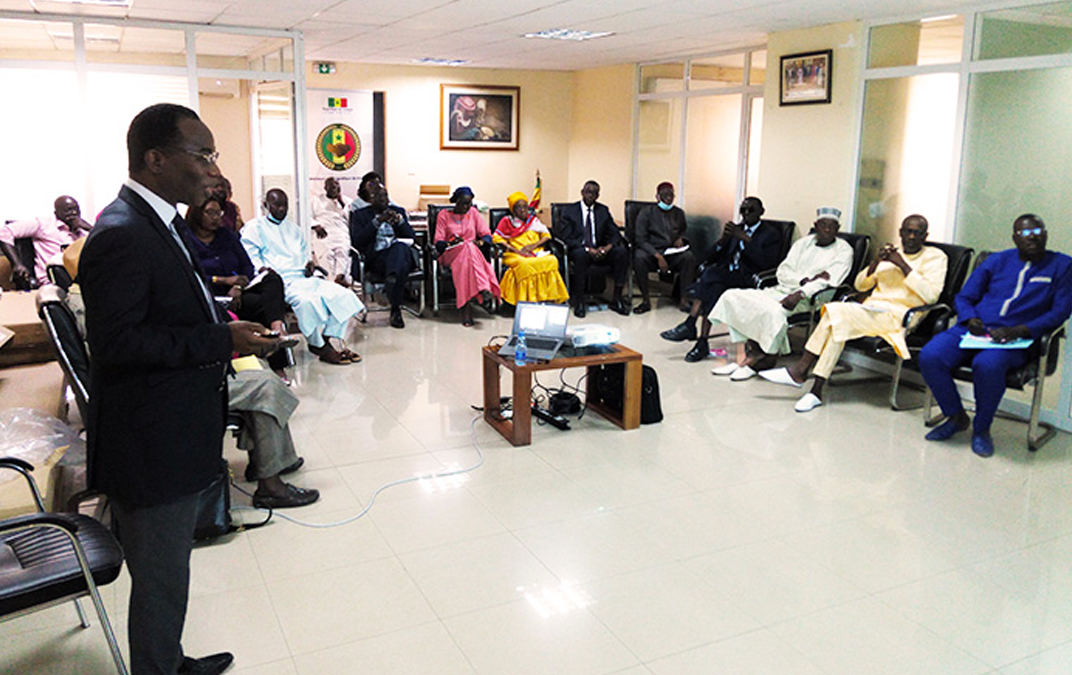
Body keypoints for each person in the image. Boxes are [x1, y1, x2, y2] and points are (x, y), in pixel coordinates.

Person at [79, 103, 280, 675]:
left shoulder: (156, 222)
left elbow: (166, 311)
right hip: (150, 442)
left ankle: (167, 659)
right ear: (156, 158)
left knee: (169, 574)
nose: (211, 168)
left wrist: (225, 325)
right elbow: (119, 345)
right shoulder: (121, 234)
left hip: (172, 432)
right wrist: (220, 341)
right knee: (161, 577)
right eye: (203, 154)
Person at [760, 214, 948, 413]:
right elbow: (860, 285)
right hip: (871, 310)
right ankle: (815, 391)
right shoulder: (892, 252)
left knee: (835, 312)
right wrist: (875, 263)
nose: (911, 237)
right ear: (900, 232)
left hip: (901, 316)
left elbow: (931, 295)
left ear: (925, 236)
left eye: (917, 233)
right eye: (907, 232)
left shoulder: (936, 257)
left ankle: (800, 370)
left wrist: (902, 265)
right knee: (836, 326)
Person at [919, 214, 1072, 457]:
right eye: (1024, 233)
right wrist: (970, 319)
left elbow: (1060, 312)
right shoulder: (997, 261)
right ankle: (956, 416)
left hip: (1018, 337)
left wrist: (1020, 330)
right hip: (975, 329)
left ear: (1045, 234)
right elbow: (965, 297)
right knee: (930, 355)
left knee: (987, 365)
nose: (1032, 237)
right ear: (1014, 238)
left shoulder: (1062, 266)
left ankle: (981, 429)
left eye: (1037, 231)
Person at [710, 206, 854, 381]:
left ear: (838, 229)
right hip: (782, 289)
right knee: (733, 296)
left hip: (810, 299)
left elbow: (829, 280)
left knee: (772, 311)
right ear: (815, 225)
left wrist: (801, 292)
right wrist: (803, 280)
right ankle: (751, 355)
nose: (827, 230)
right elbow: (783, 271)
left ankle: (765, 359)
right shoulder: (803, 243)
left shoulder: (844, 250)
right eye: (823, 225)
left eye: (832, 226)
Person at [242, 189, 364, 364]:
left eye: (285, 205)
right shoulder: (255, 228)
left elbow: (303, 256)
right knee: (307, 302)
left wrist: (309, 265)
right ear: (266, 205)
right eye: (276, 204)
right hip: (280, 281)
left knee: (344, 295)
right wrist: (262, 270)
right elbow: (251, 257)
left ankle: (326, 338)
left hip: (303, 277)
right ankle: (318, 346)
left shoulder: (294, 229)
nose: (281, 209)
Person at [661, 196, 783, 363]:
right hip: (727, 276)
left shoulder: (771, 234)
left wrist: (746, 239)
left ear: (761, 212)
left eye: (751, 210)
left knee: (711, 275)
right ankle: (702, 341)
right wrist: (723, 241)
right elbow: (711, 255)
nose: (746, 214)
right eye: (743, 210)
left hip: (749, 278)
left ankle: (690, 324)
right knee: (713, 285)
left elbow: (766, 262)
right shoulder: (736, 229)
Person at [185, 197, 293, 379]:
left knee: (272, 279)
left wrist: (236, 285)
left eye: (218, 213)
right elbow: (190, 274)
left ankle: (277, 327)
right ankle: (276, 360)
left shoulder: (226, 235)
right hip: (212, 295)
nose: (216, 218)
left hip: (239, 290)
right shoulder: (186, 239)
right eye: (210, 213)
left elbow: (247, 266)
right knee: (261, 305)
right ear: (196, 213)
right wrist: (223, 280)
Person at [555, 180, 630, 317]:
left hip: (600, 249)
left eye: (594, 193)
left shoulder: (603, 210)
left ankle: (617, 298)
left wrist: (607, 247)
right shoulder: (569, 211)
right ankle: (579, 301)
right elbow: (566, 237)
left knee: (621, 253)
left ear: (598, 195)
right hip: (579, 249)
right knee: (581, 255)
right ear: (582, 193)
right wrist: (587, 249)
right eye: (588, 192)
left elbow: (614, 233)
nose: (591, 195)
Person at [349, 183, 417, 329]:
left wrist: (399, 222)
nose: (383, 199)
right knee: (399, 262)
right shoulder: (360, 215)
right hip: (376, 259)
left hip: (398, 256)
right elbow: (357, 241)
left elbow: (411, 237)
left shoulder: (398, 211)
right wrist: (377, 222)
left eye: (385, 196)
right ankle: (395, 307)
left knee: (399, 248)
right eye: (377, 196)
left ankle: (392, 281)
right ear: (370, 199)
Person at [434, 186, 500, 327]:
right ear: (455, 202)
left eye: (469, 204)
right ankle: (482, 288)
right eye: (463, 203)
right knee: (467, 246)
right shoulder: (443, 215)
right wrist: (451, 242)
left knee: (468, 248)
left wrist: (482, 241)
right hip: (449, 253)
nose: (466, 207)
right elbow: (438, 241)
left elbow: (487, 234)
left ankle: (466, 308)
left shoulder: (474, 213)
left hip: (468, 256)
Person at [493, 191, 569, 306]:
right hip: (514, 253)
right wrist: (514, 249)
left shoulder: (533, 220)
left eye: (525, 207)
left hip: (535, 251)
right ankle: (528, 300)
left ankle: (548, 298)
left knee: (552, 260)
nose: (523, 210)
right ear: (513, 210)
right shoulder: (507, 222)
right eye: (519, 207)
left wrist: (533, 246)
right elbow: (496, 238)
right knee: (525, 264)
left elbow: (546, 235)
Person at [0, 195, 92, 288]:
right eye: (68, 210)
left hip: (83, 280)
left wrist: (90, 229)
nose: (74, 213)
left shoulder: (83, 230)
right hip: (53, 282)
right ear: (56, 213)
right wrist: (17, 264)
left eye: (77, 210)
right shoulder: (44, 225)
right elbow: (5, 232)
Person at [633, 182, 697, 314]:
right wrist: (658, 256)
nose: (668, 198)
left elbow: (682, 231)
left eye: (671, 195)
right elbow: (640, 239)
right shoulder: (646, 213)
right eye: (664, 195)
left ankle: (684, 300)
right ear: (657, 197)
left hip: (672, 253)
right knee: (639, 257)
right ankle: (645, 301)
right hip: (651, 253)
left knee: (688, 258)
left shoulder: (679, 213)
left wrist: (681, 239)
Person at [311, 177, 353, 285]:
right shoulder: (316, 200)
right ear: (325, 188)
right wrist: (316, 226)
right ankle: (331, 280)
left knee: (342, 251)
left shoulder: (347, 201)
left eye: (336, 185)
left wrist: (340, 202)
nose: (334, 188)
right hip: (323, 231)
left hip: (341, 232)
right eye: (331, 186)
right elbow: (307, 216)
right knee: (326, 253)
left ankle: (340, 276)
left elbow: (352, 220)